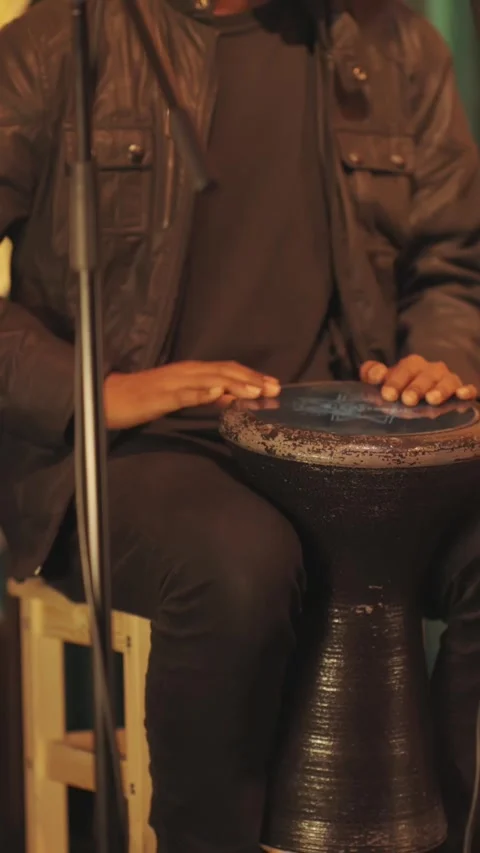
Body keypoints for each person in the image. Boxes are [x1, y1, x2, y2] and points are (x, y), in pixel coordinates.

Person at [0, 0, 479, 850]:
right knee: (241, 569)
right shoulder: (59, 41)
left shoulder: (395, 45)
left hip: (351, 443)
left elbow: (453, 265)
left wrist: (439, 357)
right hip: (138, 453)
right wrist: (94, 389)